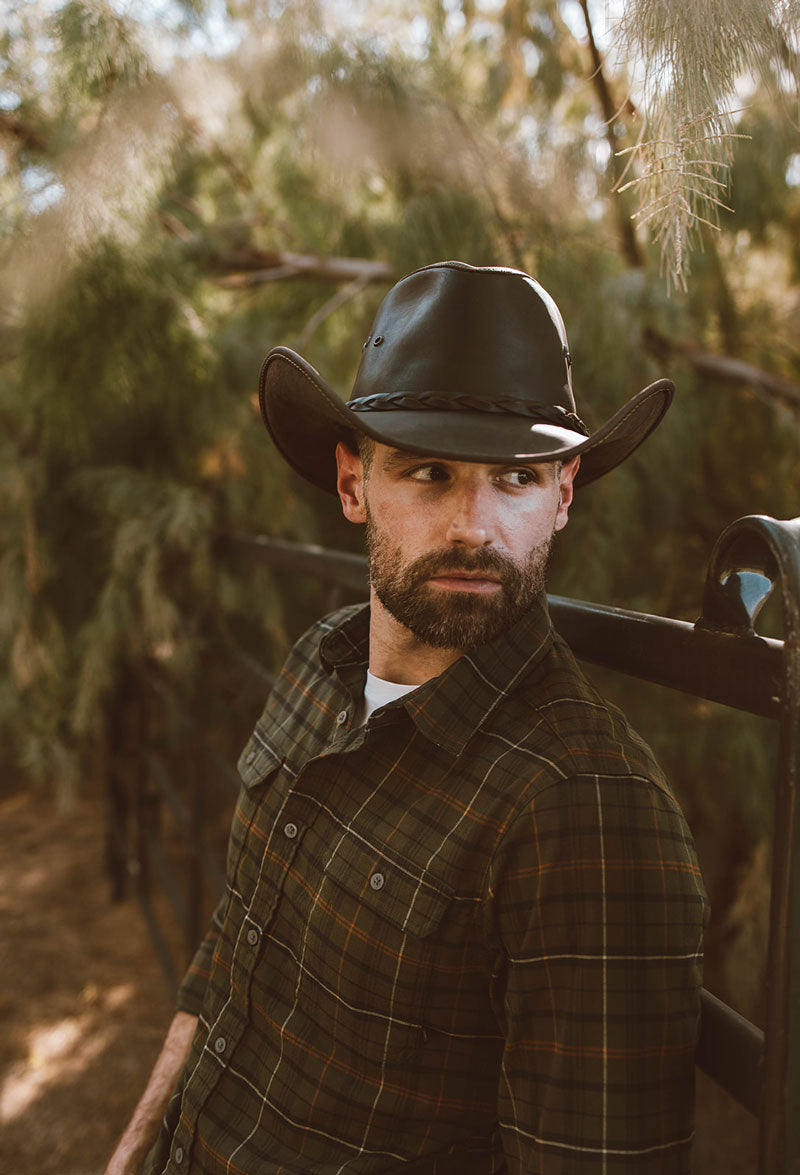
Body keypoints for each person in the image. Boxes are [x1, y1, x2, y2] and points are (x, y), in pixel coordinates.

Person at [107, 261, 708, 1175]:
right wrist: (135, 1145)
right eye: (428, 472)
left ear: (563, 496)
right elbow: (233, 943)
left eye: (514, 477)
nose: (474, 524)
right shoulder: (320, 662)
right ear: (354, 485)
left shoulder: (581, 810)